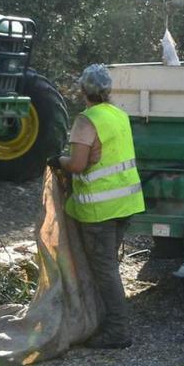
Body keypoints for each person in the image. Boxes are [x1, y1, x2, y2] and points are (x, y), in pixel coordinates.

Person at [49, 63, 144, 349]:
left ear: (83, 90)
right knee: (108, 266)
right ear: (108, 90)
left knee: (104, 270)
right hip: (125, 203)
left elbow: (77, 164)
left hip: (99, 210)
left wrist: (57, 161)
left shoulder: (86, 120)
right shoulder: (119, 115)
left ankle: (117, 331)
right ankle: (104, 319)